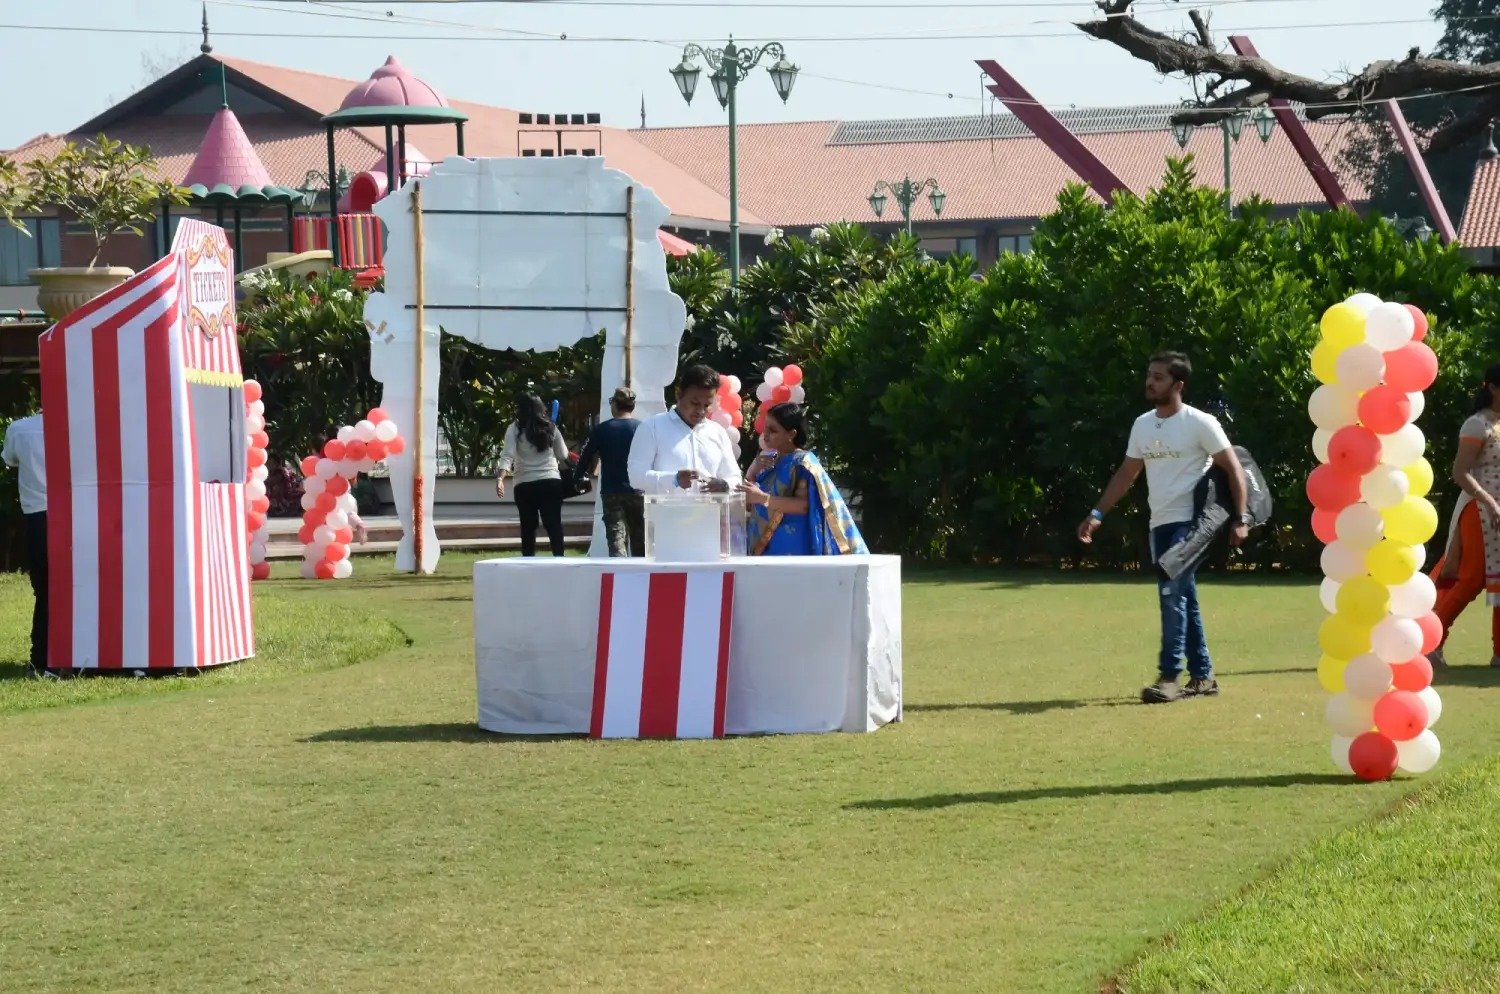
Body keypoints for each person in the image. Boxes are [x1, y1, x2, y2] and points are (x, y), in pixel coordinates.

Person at [1076, 352, 1250, 704]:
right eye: (1149, 375)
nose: (1150, 382)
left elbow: (1234, 469)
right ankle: (1203, 676)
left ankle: (1169, 676)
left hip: (1194, 523)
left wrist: (1242, 518)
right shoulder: (1142, 424)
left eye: (1158, 377)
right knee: (1183, 595)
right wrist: (1097, 513)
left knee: (1171, 594)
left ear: (1178, 384)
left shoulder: (1200, 422)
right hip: (1160, 524)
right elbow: (1127, 473)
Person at [1430, 361, 1500, 669]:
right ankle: (1431, 642)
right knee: (1471, 578)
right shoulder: (1478, 424)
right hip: (1479, 508)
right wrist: (1489, 501)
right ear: (1493, 388)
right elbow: (1460, 472)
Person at [738, 403, 868, 555]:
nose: (765, 434)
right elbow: (750, 502)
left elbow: (803, 506)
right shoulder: (768, 460)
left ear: (791, 434)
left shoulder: (802, 462)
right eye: (766, 427)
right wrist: (752, 471)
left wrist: (763, 498)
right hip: (767, 545)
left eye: (773, 430)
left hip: (792, 545)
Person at [627, 365, 741, 495]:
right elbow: (636, 477)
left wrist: (725, 485)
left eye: (707, 405)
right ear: (679, 395)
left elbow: (735, 477)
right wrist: (674, 479)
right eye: (695, 403)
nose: (701, 411)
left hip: (710, 514)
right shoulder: (652, 427)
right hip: (666, 514)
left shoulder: (718, 432)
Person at [2, 409, 55, 679]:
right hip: (74, 513)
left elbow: (10, 460)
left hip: (37, 515)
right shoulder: (78, 427)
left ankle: (41, 657)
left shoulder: (20, 428)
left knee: (44, 588)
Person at [496, 395, 570, 557]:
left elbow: (507, 456)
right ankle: (560, 560)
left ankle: (528, 561)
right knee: (554, 525)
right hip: (550, 482)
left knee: (528, 528)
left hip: (524, 485)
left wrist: (501, 479)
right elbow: (563, 454)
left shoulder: (514, 429)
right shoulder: (550, 427)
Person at [576, 387, 645, 557]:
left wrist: (577, 477)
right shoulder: (643, 428)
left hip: (612, 492)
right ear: (632, 406)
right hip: (638, 490)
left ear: (614, 404)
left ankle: (620, 577)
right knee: (641, 542)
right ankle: (641, 578)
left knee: (616, 542)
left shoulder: (602, 429)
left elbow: (585, 457)